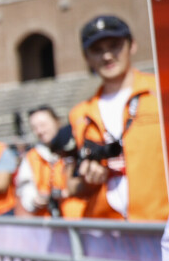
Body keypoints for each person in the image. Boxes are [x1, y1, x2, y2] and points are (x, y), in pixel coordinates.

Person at [61, 15, 169, 222]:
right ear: (87, 57)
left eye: (115, 46)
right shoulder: (80, 114)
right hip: (109, 233)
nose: (107, 56)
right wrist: (89, 180)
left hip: (160, 227)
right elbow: (72, 186)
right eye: (97, 50)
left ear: (132, 45)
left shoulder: (161, 90)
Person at [14, 106, 65, 217]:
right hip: (48, 223)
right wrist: (33, 200)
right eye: (34, 127)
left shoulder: (72, 146)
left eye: (43, 125)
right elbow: (25, 186)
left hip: (80, 220)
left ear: (56, 121)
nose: (40, 131)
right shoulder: (31, 156)